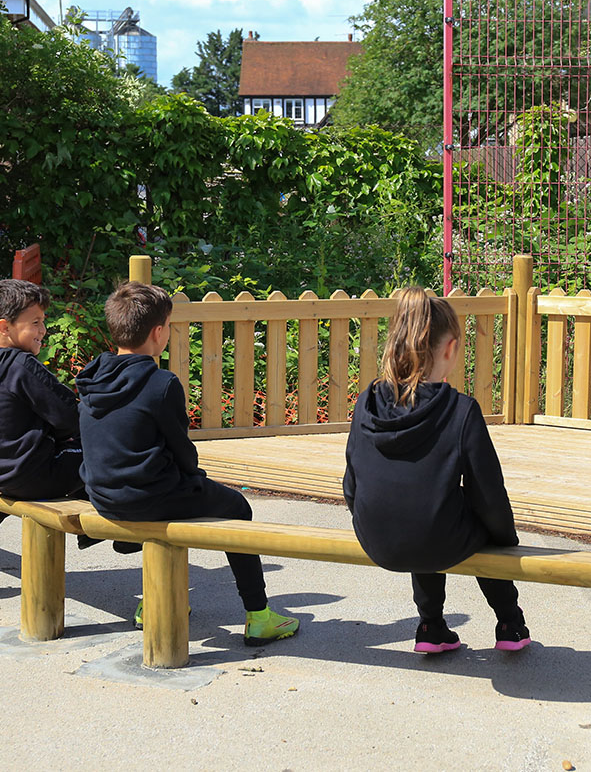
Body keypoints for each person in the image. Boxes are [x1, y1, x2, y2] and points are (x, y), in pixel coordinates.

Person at [76, 281, 299, 645]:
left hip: (103, 494)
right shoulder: (162, 384)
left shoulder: (92, 377)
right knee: (235, 507)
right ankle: (259, 617)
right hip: (146, 495)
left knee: (169, 497)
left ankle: (155, 600)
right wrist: (197, 479)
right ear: (159, 332)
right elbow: (183, 451)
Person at [343, 287, 530, 654]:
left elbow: (352, 481)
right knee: (468, 517)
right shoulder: (460, 410)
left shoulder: (366, 401)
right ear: (450, 348)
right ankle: (509, 621)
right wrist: (506, 539)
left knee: (424, 500)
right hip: (432, 538)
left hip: (375, 537)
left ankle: (431, 625)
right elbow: (488, 493)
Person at [0, 280, 82, 527]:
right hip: (28, 476)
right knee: (103, 450)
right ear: (5, 327)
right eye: (35, 323)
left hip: (5, 472)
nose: (43, 330)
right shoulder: (21, 365)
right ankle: (116, 525)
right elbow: (70, 416)